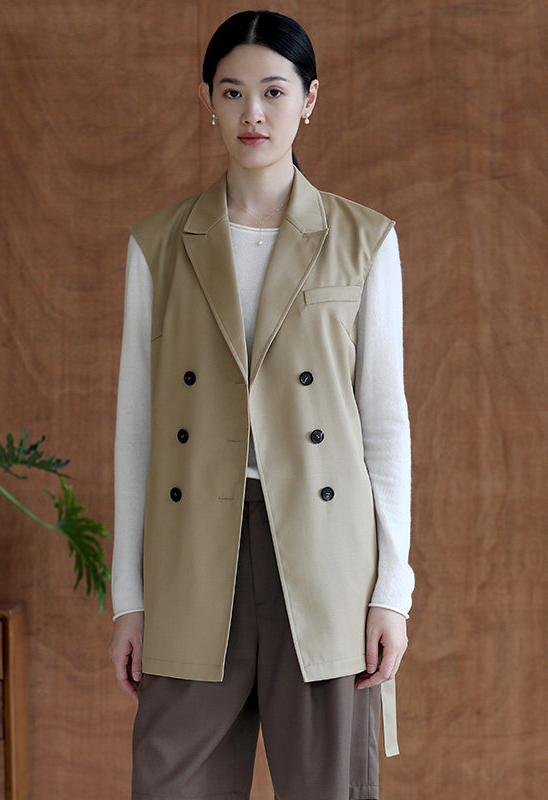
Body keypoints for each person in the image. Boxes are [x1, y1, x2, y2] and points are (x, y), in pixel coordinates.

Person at [108, 9, 414, 800]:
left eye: (274, 91)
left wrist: (392, 592)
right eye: (233, 91)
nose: (253, 112)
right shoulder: (158, 243)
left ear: (309, 100)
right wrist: (127, 599)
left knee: (328, 786)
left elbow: (383, 426)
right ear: (207, 99)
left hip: (323, 556)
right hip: (191, 552)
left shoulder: (364, 240)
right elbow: (137, 433)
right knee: (172, 783)